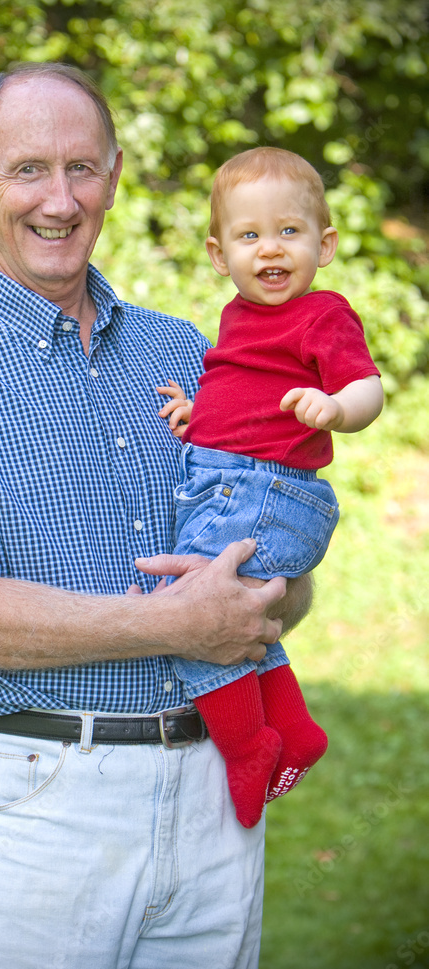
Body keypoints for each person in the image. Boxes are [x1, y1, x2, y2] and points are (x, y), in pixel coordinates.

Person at [0, 66, 313, 969]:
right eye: (27, 169)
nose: (59, 200)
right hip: (37, 801)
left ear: (112, 177)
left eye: (82, 169)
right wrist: (180, 625)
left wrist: (272, 589)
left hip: (216, 792)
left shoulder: (192, 352)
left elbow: (268, 563)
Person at [156, 147, 383, 829]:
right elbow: (244, 391)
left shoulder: (323, 313)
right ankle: (294, 726)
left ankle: (248, 746)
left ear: (326, 243)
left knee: (190, 616)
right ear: (220, 254)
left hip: (263, 490)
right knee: (238, 614)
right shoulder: (237, 316)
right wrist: (202, 415)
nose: (270, 250)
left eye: (289, 231)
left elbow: (368, 388)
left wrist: (337, 409)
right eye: (250, 236)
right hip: (238, 482)